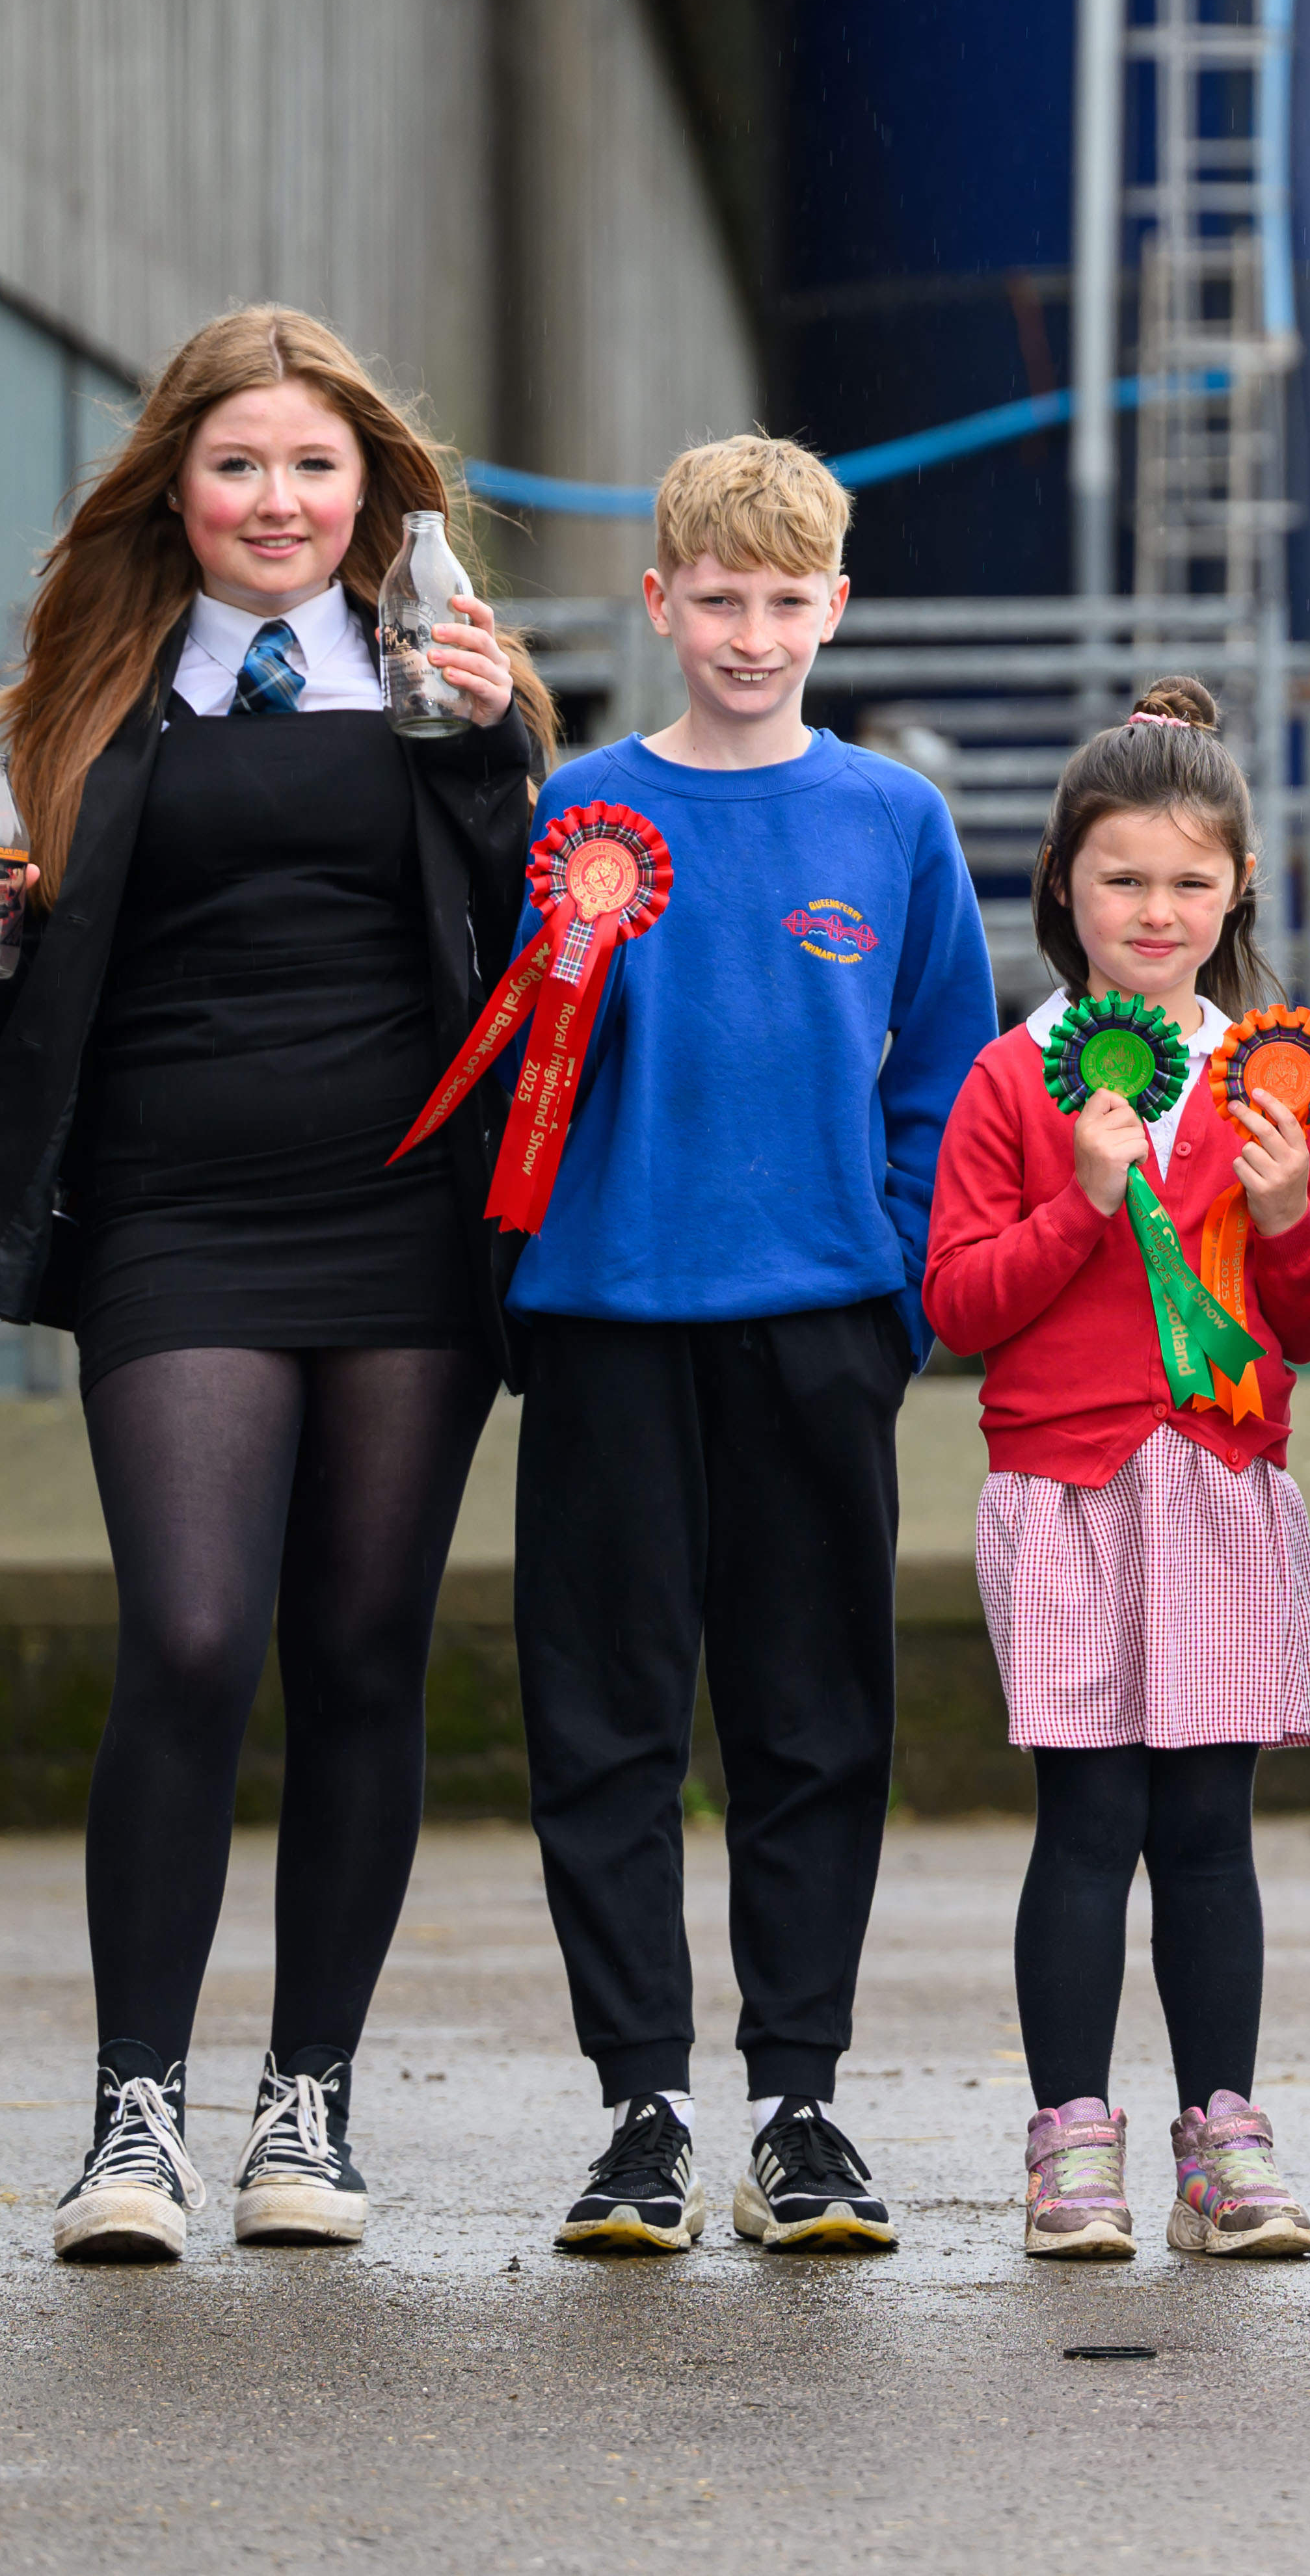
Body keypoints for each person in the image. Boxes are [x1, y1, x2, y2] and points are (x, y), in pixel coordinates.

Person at [0, 305, 544, 2266]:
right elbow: (20, 998)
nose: (277, 499)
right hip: (176, 1218)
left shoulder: (452, 686)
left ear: (373, 495)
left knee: (358, 1655)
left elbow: (539, 959)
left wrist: (514, 756)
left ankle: (311, 2113)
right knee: (188, 1637)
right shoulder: (83, 694)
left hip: (407, 1218)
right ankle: (131, 2120)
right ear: (176, 485)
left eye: (315, 466)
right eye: (241, 463)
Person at [502, 436, 993, 2257]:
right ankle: (641, 2106)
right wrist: (522, 1269)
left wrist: (896, 1287)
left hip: (816, 1335)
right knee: (607, 1725)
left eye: (787, 601)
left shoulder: (891, 822)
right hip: (607, 1325)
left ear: (835, 608)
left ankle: (800, 2102)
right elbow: (505, 1074)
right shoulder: (573, 817)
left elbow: (945, 1070)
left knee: (813, 1724)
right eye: (718, 597)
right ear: (659, 602)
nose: (751, 631)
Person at [925, 681, 1310, 2264]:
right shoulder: (1012, 1078)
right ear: (1064, 889)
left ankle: (1224, 2138)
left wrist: (1298, 1205)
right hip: (1068, 1494)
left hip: (1223, 1486)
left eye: (1189, 880)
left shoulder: (1270, 1076)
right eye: (1122, 879)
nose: (1155, 910)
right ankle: (1071, 2146)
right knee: (1086, 1824)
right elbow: (958, 1304)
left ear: (1240, 885)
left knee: (1212, 1834)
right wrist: (1083, 1202)